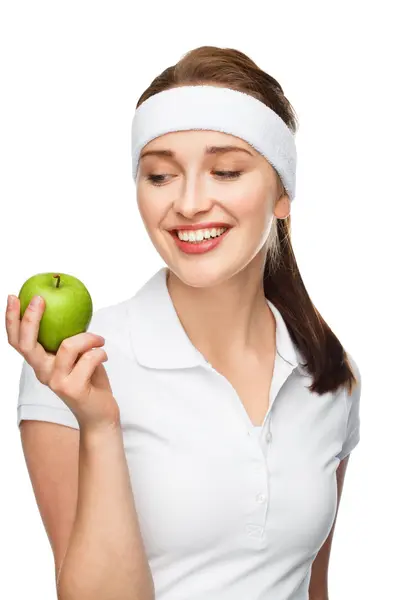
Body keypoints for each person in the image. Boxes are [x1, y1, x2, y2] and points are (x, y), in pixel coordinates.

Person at [6, 46, 361, 600]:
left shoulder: (328, 374)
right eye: (160, 175)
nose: (190, 203)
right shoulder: (75, 366)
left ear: (282, 193)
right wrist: (99, 426)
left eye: (225, 170)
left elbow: (313, 587)